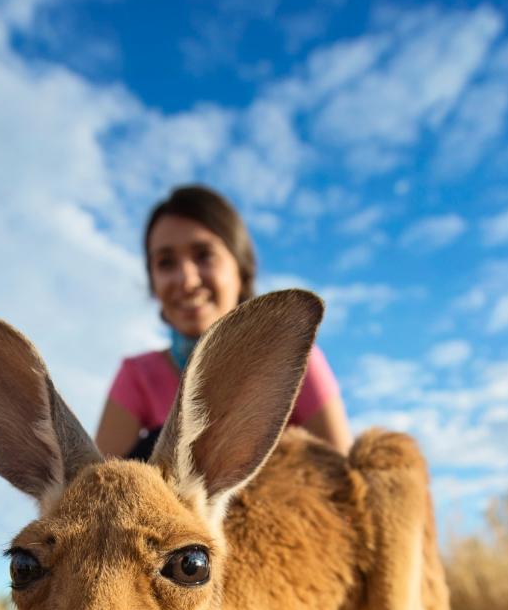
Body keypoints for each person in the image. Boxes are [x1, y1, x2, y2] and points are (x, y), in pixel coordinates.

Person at [95, 185, 352, 460]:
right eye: (166, 263)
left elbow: (348, 483)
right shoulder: (138, 375)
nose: (187, 280)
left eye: (204, 255)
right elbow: (89, 489)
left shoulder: (296, 361)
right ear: (153, 283)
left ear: (241, 269)